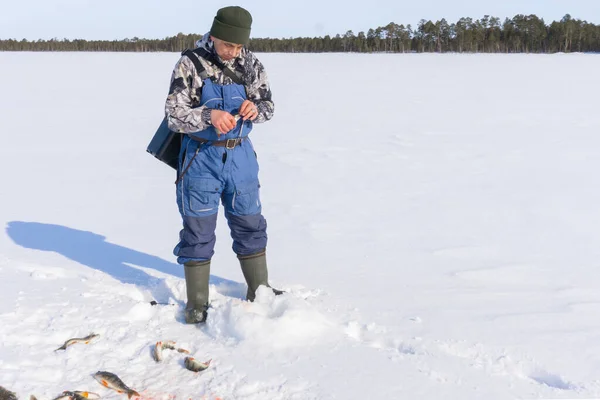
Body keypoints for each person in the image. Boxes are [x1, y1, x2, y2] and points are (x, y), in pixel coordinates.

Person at [164, 6, 280, 324]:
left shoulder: (251, 63)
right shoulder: (191, 62)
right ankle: (197, 302)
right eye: (228, 45)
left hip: (241, 156)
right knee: (198, 228)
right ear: (214, 35)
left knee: (250, 223)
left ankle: (260, 291)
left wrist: (255, 109)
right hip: (201, 158)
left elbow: (269, 104)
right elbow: (174, 113)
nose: (233, 52)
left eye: (239, 46)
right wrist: (207, 115)